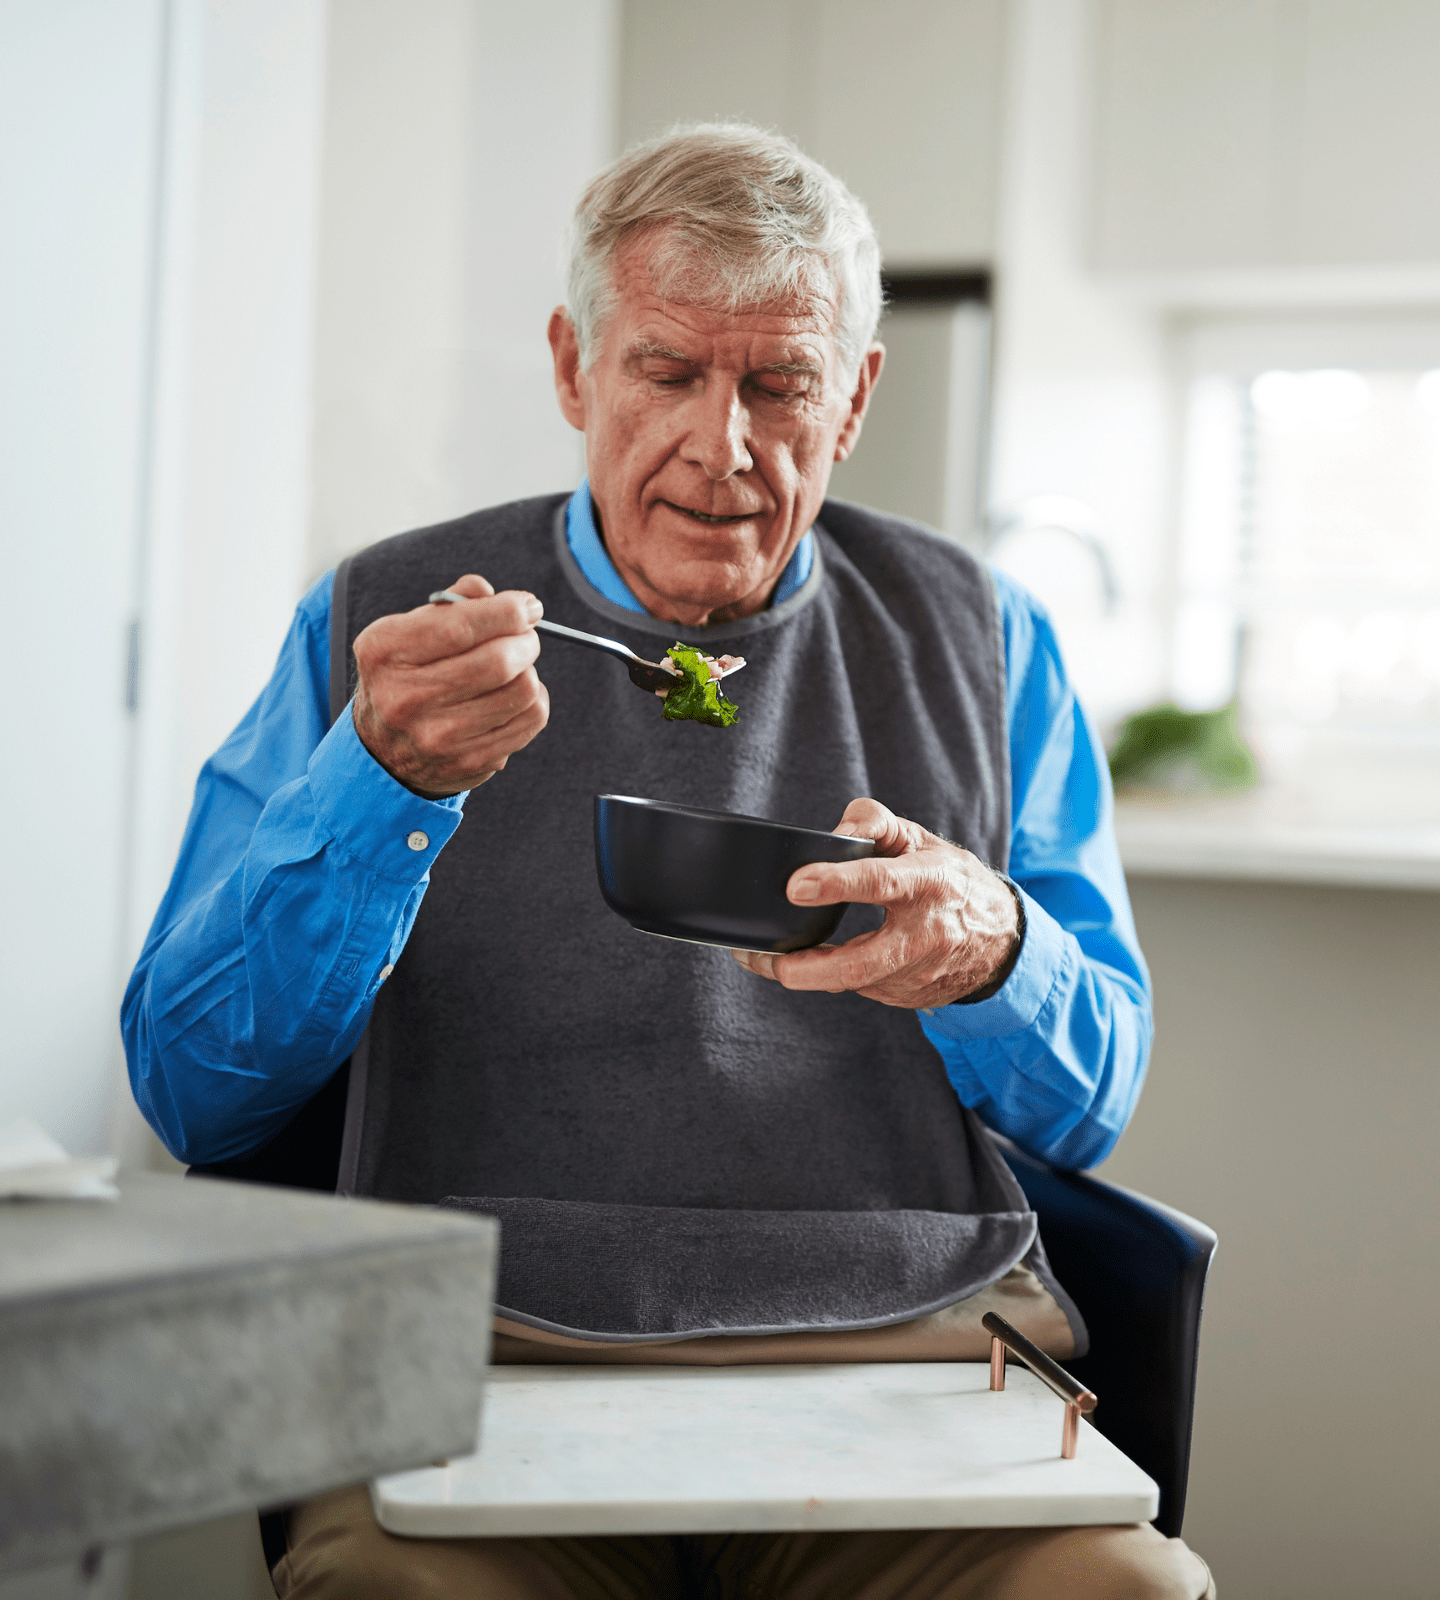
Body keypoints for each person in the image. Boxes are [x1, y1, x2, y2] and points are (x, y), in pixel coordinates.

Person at [123, 124, 1212, 1598]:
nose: (724, 445)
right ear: (578, 369)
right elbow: (191, 1085)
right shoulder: (383, 627)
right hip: (478, 1348)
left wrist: (995, 947)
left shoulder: (986, 636)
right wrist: (381, 786)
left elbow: (1097, 1105)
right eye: (667, 373)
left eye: (779, 385)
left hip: (904, 1363)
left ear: (854, 401)